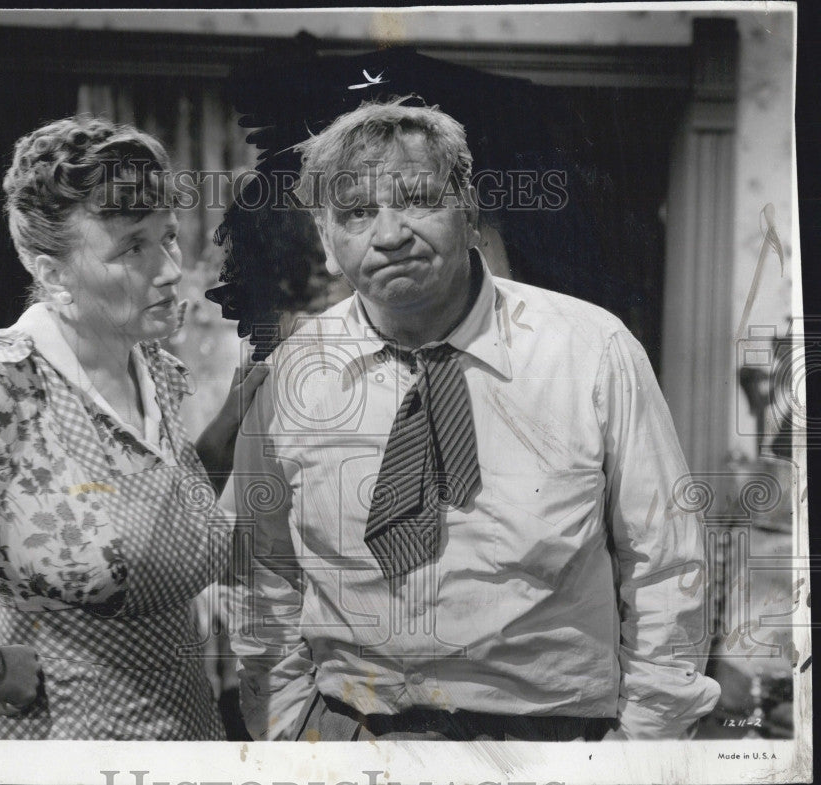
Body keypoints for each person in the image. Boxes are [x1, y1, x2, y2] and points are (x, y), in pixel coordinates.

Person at [225, 98, 720, 741]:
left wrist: (643, 748)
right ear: (326, 239)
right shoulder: (292, 376)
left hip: (554, 745)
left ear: (470, 206)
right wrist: (290, 732)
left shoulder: (593, 350)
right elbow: (260, 570)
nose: (390, 233)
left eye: (417, 199)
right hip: (349, 739)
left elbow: (667, 563)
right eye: (356, 213)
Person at [0, 116, 266, 740]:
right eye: (132, 247)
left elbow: (156, 512)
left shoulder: (157, 369)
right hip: (57, 745)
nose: (170, 268)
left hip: (188, 733)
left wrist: (233, 417)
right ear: (54, 273)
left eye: (168, 238)